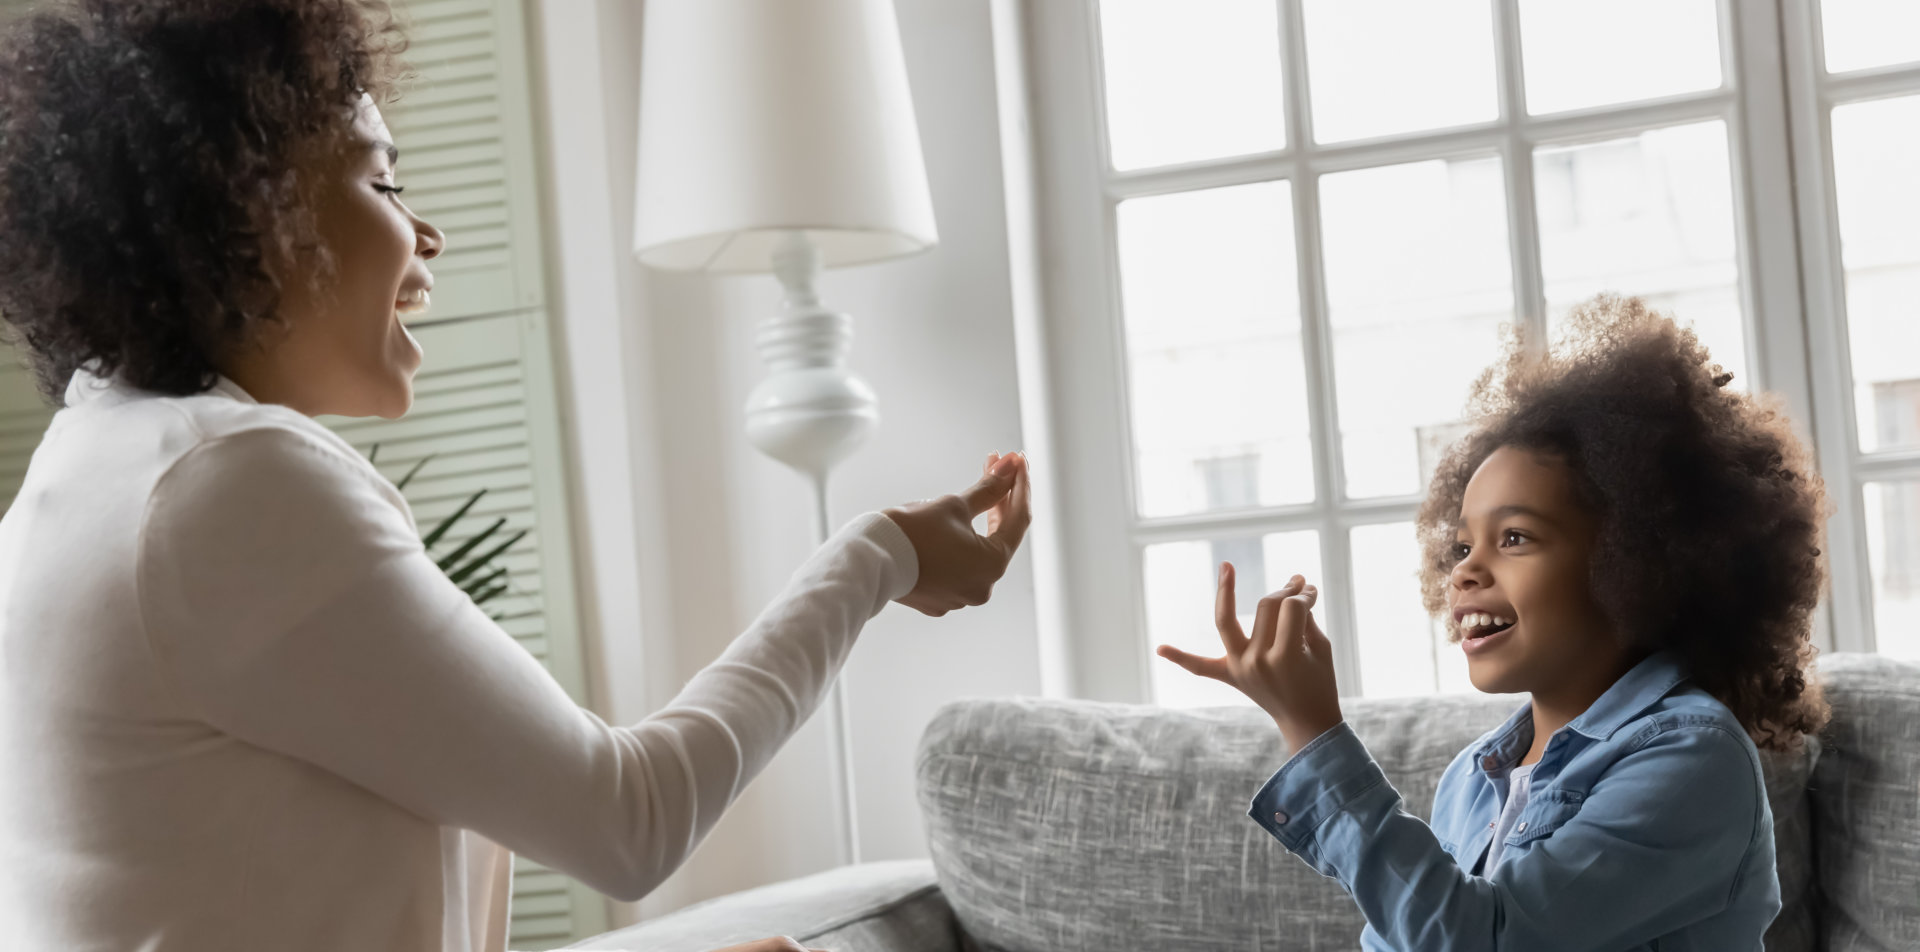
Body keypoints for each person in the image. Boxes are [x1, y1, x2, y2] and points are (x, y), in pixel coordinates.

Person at [0, 2, 1030, 950]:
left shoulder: (90, 466)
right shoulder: (226, 486)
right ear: (255, 212)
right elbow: (630, 820)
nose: (427, 233)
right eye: (383, 183)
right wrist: (877, 560)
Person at [1158, 296, 1830, 950]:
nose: (1464, 572)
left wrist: (1313, 733)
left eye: (1514, 538)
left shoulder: (1693, 757)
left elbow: (1483, 939)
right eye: (1460, 547)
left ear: (1638, 560)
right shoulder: (1471, 779)